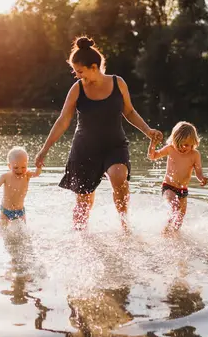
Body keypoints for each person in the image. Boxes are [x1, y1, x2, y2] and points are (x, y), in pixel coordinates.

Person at [34, 36, 162, 231]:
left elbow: (129, 112)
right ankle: (80, 237)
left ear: (94, 67)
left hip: (114, 145)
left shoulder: (118, 83)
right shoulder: (77, 89)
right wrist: (44, 149)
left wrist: (148, 130)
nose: (77, 75)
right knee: (83, 203)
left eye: (80, 71)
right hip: (85, 149)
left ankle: (124, 225)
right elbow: (63, 120)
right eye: (75, 71)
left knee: (119, 178)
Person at [147, 121, 208, 234]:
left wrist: (202, 178)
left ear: (193, 143)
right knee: (175, 207)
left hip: (183, 191)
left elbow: (198, 171)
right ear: (174, 141)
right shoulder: (170, 149)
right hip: (168, 187)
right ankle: (164, 232)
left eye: (187, 145)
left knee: (180, 218)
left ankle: (173, 236)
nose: (183, 148)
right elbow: (152, 156)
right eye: (179, 144)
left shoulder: (195, 155)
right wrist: (153, 144)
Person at [0, 146, 41, 228]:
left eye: (23, 167)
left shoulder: (27, 174)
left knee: (23, 233)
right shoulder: (5, 176)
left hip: (20, 212)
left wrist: (39, 166)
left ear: (26, 164)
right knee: (3, 231)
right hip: (5, 211)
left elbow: (37, 174)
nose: (20, 170)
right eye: (16, 167)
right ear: (9, 166)